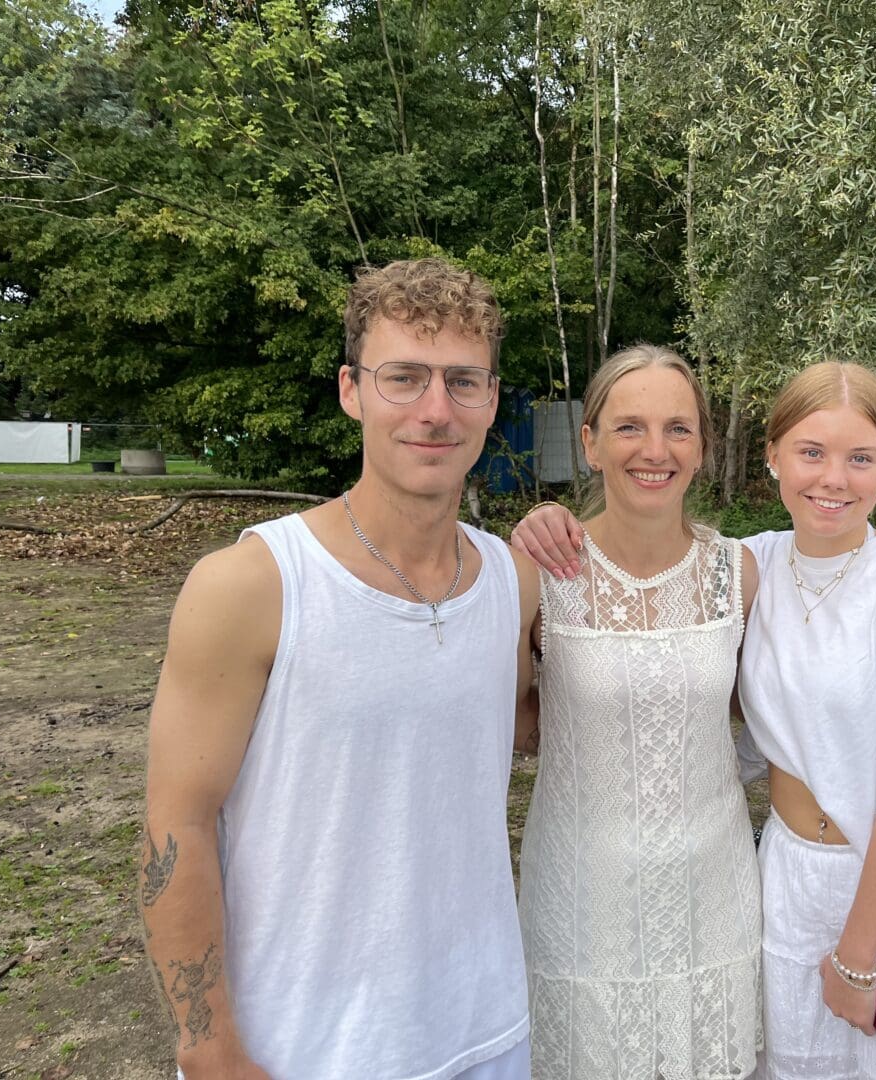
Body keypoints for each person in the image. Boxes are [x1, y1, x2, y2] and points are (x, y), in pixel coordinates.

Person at [513, 361, 876, 1079]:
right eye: (811, 452)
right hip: (789, 888)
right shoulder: (755, 564)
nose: (833, 478)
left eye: (860, 458)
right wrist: (544, 520)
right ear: (773, 456)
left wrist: (857, 958)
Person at [141, 257, 541, 1080]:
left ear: (492, 399)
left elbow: (528, 729)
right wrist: (209, 1049)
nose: (436, 410)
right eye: (404, 377)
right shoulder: (251, 585)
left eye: (463, 381)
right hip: (304, 1048)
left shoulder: (514, 581)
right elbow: (176, 825)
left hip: (486, 1031)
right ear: (352, 390)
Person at [513, 344, 763, 1079]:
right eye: (630, 427)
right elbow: (508, 722)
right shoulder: (536, 571)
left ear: (703, 447)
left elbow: (773, 713)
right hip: (584, 903)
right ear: (589, 443)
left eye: (678, 428)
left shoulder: (737, 572)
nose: (655, 450)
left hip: (713, 897)